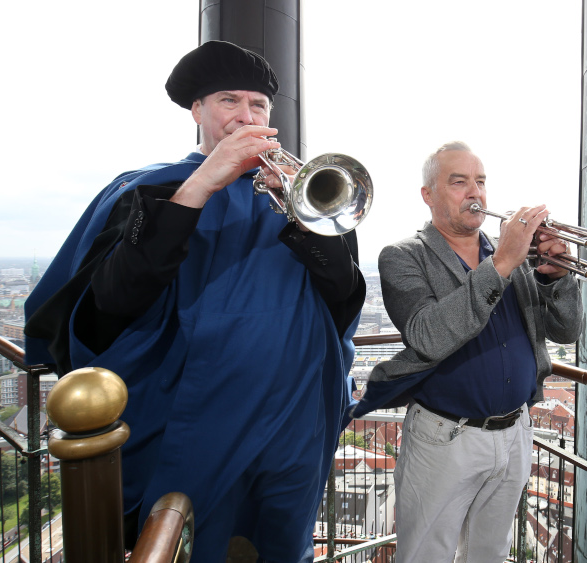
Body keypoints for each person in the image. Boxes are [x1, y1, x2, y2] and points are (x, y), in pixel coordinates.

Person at [24, 41, 364, 563]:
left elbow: (342, 296)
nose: (245, 116)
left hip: (295, 424)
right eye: (229, 101)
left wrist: (304, 215)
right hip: (199, 426)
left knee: (282, 546)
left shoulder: (299, 196)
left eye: (258, 105)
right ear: (197, 111)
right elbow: (113, 301)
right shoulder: (150, 189)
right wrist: (204, 181)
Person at [352, 142, 584, 562]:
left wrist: (559, 278)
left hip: (516, 433)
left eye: (480, 182)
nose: (474, 192)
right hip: (445, 438)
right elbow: (428, 335)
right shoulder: (405, 256)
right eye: (458, 182)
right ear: (428, 194)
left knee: (489, 554)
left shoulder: (510, 254)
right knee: (426, 555)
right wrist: (500, 267)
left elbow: (567, 331)